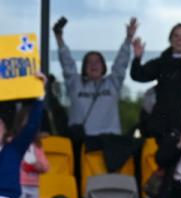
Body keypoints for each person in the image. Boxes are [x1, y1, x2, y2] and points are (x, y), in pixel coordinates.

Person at [55, 15, 137, 174]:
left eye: (98, 61)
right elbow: (68, 64)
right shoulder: (75, 83)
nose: (94, 65)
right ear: (84, 67)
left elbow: (121, 64)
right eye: (89, 62)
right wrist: (59, 40)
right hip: (82, 144)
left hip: (110, 145)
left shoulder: (112, 83)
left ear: (104, 66)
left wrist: (128, 40)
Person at [130, 24, 181, 142]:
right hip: (164, 127)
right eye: (176, 36)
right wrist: (137, 58)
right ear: (170, 39)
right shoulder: (162, 62)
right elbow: (138, 75)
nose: (179, 39)